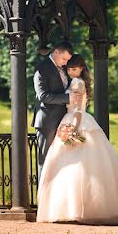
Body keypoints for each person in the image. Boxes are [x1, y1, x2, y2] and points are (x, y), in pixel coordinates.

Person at [36, 54, 118, 225]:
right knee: (73, 165)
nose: (71, 71)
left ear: (81, 68)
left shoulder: (77, 83)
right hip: (71, 119)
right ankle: (74, 208)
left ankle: (77, 208)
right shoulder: (74, 82)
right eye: (69, 68)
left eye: (74, 69)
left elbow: (78, 109)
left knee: (77, 165)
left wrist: (74, 128)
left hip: (76, 120)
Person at [32, 41, 77, 181]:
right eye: (64, 59)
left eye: (67, 60)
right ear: (56, 51)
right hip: (47, 122)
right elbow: (43, 96)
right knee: (45, 161)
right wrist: (68, 98)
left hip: (62, 121)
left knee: (61, 162)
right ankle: (42, 200)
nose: (65, 63)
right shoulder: (42, 68)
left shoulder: (63, 69)